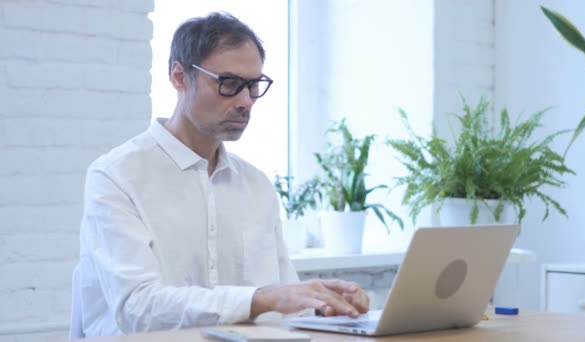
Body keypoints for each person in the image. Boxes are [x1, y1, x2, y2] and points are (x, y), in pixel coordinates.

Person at [73, 12, 369, 337]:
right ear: (179, 77)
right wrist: (262, 298)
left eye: (254, 85)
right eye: (228, 84)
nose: (246, 102)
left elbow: (282, 296)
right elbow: (138, 308)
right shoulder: (116, 176)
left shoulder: (256, 186)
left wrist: (326, 303)